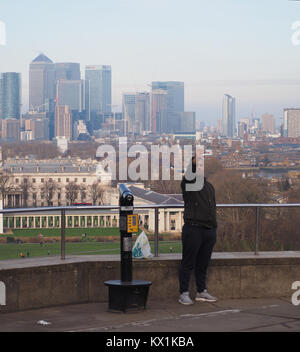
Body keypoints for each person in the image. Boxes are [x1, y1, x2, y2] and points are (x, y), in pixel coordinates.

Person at [178, 155, 218, 305]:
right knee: (188, 263)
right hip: (193, 228)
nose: (200, 168)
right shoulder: (189, 184)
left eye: (202, 166)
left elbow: (212, 207)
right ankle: (184, 293)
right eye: (198, 167)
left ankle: (202, 291)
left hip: (208, 230)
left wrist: (214, 227)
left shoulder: (209, 187)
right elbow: (188, 176)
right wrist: (193, 163)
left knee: (203, 263)